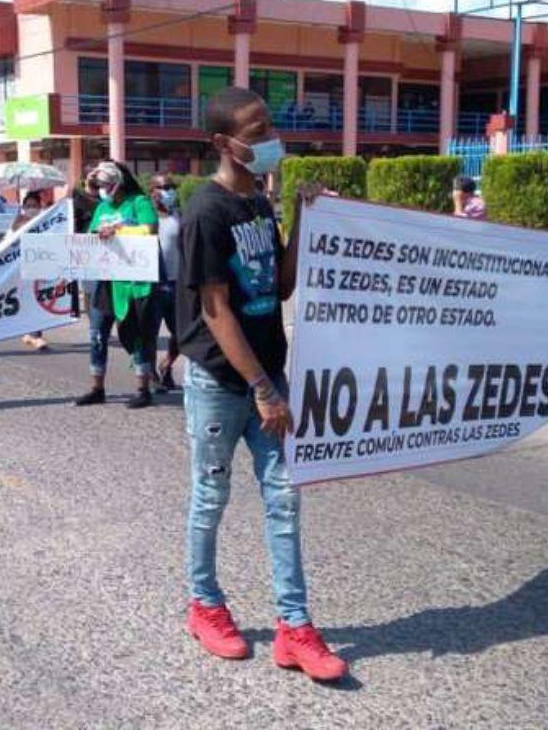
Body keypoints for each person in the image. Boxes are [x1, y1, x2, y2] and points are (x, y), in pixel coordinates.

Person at [177, 86, 347, 681]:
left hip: (265, 378)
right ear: (225, 143)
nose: (271, 139)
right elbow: (217, 310)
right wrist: (263, 389)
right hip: (225, 385)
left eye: (270, 126)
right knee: (210, 498)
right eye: (257, 132)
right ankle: (205, 606)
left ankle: (294, 628)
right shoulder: (205, 211)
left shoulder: (257, 206)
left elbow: (278, 287)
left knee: (284, 498)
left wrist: (303, 218)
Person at [74, 160, 159, 410]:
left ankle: (143, 388)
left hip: (134, 282)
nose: (101, 188)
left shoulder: (139, 203)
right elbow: (92, 236)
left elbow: (150, 230)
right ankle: (96, 387)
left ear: (117, 183)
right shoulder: (102, 207)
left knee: (137, 335)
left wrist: (119, 230)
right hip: (107, 281)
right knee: (97, 334)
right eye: (98, 184)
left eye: (105, 184)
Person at [149, 172, 181, 391]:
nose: (169, 191)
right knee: (149, 333)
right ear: (153, 192)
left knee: (182, 333)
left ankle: (166, 365)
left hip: (177, 283)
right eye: (163, 187)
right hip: (153, 284)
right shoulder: (146, 217)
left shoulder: (179, 215)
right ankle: (151, 376)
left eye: (171, 187)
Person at [11, 191, 51, 351]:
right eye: (28, 206)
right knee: (28, 299)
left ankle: (36, 334)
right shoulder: (18, 221)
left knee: (40, 299)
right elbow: (11, 241)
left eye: (34, 206)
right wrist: (19, 224)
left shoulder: (47, 220)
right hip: (22, 266)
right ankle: (31, 333)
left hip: (41, 264)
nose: (31, 209)